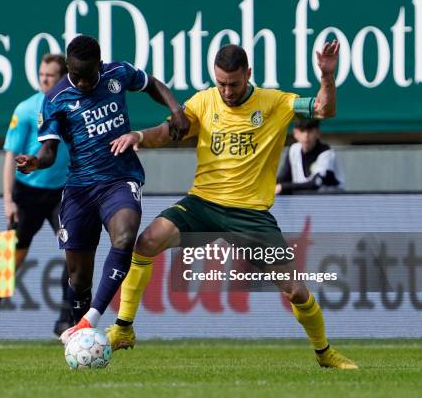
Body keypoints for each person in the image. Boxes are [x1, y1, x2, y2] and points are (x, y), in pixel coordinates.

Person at [107, 41, 358, 369]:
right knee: (146, 242)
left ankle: (325, 353)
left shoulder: (275, 102)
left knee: (296, 290)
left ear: (248, 74)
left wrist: (327, 77)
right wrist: (139, 136)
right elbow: (170, 130)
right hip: (203, 205)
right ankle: (123, 328)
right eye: (220, 83)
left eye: (234, 84)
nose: (226, 91)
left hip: (251, 216)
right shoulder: (204, 101)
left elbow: (325, 110)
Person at [16, 35, 189, 344]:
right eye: (76, 75)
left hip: (119, 179)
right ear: (68, 67)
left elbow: (151, 83)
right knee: (79, 277)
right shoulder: (56, 98)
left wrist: (175, 108)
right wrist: (34, 162)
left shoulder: (116, 74)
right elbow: (49, 153)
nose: (82, 82)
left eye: (88, 75)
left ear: (99, 64)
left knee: (124, 235)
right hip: (80, 188)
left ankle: (90, 319)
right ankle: (80, 332)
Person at [0, 54, 73, 344]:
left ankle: (65, 319)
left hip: (61, 191)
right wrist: (8, 200)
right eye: (42, 74)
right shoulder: (27, 109)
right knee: (9, 260)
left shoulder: (72, 106)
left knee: (74, 247)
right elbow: (10, 156)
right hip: (28, 193)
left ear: (63, 78)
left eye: (51, 75)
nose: (44, 79)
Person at [276, 119, 344, 194]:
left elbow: (316, 183)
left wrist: (282, 187)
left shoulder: (327, 153)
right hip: (301, 201)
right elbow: (283, 179)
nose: (306, 135)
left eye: (310, 130)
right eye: (302, 130)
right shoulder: (293, 150)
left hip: (332, 201)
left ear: (318, 133)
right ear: (295, 133)